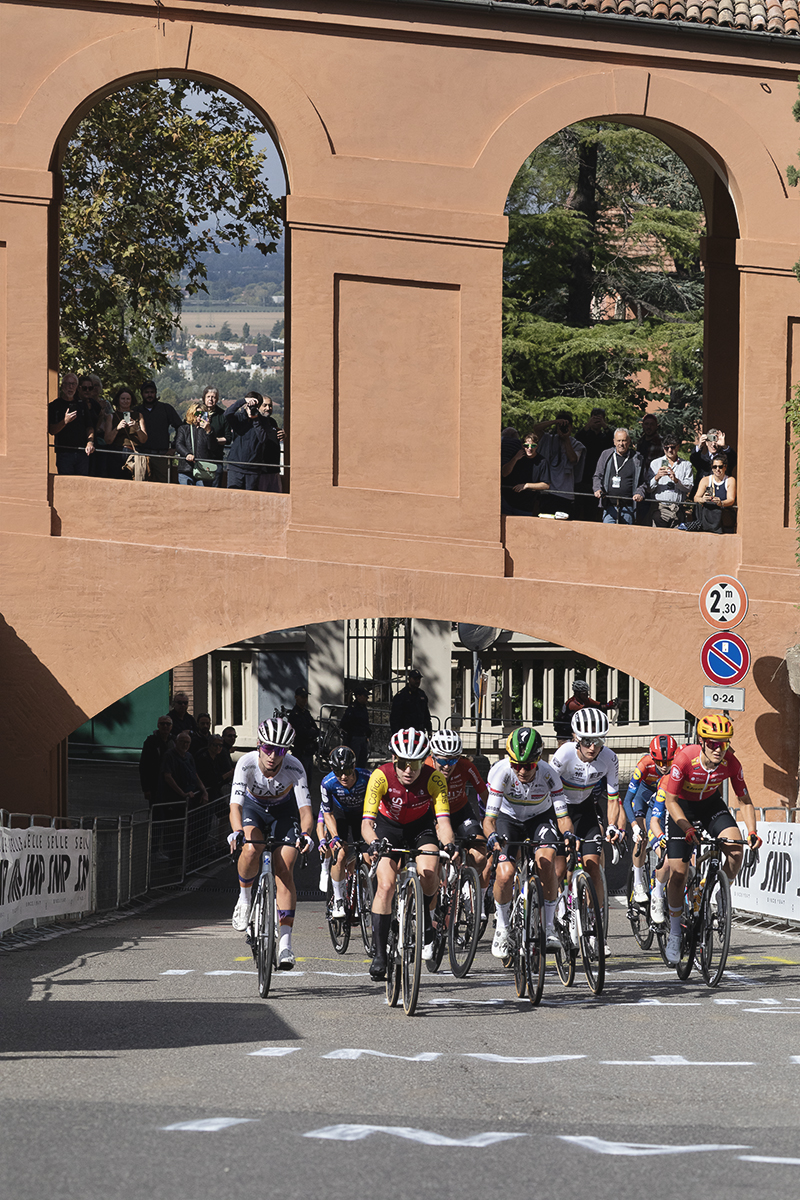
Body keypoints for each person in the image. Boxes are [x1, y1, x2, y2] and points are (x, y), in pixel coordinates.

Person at [657, 713, 761, 966]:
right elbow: (670, 801)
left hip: (711, 806)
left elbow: (744, 800)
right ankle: (674, 931)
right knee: (679, 873)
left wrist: (752, 830)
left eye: (723, 743)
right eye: (713, 743)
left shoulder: (731, 763)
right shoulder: (684, 760)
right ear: (702, 741)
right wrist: (687, 828)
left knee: (736, 851)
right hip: (682, 809)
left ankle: (719, 893)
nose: (718, 749)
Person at [361, 727, 456, 981]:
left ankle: (424, 917)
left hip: (420, 827)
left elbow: (444, 823)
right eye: (402, 763)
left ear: (422, 760)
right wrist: (373, 843)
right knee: (385, 884)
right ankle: (380, 955)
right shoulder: (380, 776)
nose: (408, 770)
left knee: (429, 869)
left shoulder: (435, 778)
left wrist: (448, 844)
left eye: (414, 763)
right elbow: (366, 824)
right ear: (394, 759)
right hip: (387, 828)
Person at [227, 717, 315, 970]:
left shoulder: (295, 767)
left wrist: (307, 834)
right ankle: (244, 899)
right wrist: (236, 832)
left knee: (284, 867)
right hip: (253, 809)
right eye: (267, 748)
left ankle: (285, 944)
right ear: (258, 745)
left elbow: (306, 810)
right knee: (251, 847)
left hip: (283, 812)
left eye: (279, 751)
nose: (272, 756)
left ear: (286, 752)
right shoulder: (246, 763)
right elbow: (235, 805)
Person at [483, 727, 567, 952]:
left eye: (528, 765)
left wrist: (567, 835)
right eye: (516, 764)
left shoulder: (549, 774)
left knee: (547, 860)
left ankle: (548, 927)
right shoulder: (501, 772)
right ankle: (502, 928)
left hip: (540, 817)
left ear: (537, 761)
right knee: (505, 873)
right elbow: (489, 820)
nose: (521, 770)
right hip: (508, 818)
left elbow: (562, 816)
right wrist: (491, 837)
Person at [550, 708, 626, 945]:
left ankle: (596, 927)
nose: (593, 746)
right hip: (558, 809)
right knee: (560, 870)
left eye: (599, 740)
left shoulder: (609, 758)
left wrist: (612, 825)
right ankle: (554, 911)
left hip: (585, 810)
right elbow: (546, 789)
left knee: (594, 867)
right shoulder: (563, 756)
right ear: (575, 737)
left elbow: (613, 798)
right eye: (587, 741)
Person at [623, 734, 678, 922]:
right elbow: (627, 800)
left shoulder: (677, 766)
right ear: (653, 758)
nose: (664, 766)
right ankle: (638, 882)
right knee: (643, 837)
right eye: (660, 762)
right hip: (643, 797)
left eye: (669, 761)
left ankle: (661, 884)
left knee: (665, 842)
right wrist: (633, 826)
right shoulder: (644, 765)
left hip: (662, 798)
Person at [427, 728, 488, 891]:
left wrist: (491, 818)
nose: (447, 766)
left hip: (461, 812)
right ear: (433, 756)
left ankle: (467, 886)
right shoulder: (425, 768)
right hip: (432, 814)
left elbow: (484, 793)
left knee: (480, 854)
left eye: (453, 761)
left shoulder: (466, 766)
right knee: (435, 857)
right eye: (443, 761)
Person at [319, 745, 372, 917]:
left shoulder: (367, 777)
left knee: (367, 858)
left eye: (348, 771)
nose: (343, 776)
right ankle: (339, 899)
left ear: (354, 767)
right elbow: (327, 814)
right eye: (338, 771)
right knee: (340, 853)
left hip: (362, 816)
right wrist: (334, 837)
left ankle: (362, 897)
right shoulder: (328, 783)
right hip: (340, 816)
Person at [225, 391, 281, 491]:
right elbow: (227, 414)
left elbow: (263, 438)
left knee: (250, 500)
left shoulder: (264, 421)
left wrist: (255, 420)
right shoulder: (239, 418)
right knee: (233, 497)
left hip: (253, 469)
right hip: (235, 467)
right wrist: (243, 401)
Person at [47, 371, 99, 475]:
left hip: (82, 453)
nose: (70, 387)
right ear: (62, 386)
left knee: (83, 483)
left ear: (77, 387)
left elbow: (90, 427)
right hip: (64, 453)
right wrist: (65, 421)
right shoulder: (54, 406)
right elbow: (52, 430)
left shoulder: (82, 405)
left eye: (73, 384)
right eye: (67, 384)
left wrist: (90, 442)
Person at [536, 412, 585, 518]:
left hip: (565, 493)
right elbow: (536, 428)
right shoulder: (547, 439)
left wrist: (566, 438)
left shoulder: (576, 444)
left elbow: (573, 459)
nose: (563, 428)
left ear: (571, 427)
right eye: (560, 426)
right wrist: (555, 422)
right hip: (547, 492)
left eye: (566, 426)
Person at [593, 428, 646, 524]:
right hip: (609, 506)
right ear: (614, 441)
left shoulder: (637, 458)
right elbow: (597, 476)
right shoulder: (606, 455)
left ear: (629, 441)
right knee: (608, 534)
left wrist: (639, 493)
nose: (621, 444)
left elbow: (643, 481)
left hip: (628, 507)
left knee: (626, 536)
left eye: (624, 440)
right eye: (618, 440)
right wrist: (597, 489)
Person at [137, 381, 181, 484]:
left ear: (156, 393)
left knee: (163, 485)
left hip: (161, 456)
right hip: (142, 455)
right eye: (146, 392)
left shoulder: (166, 409)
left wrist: (174, 447)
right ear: (142, 394)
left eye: (152, 392)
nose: (149, 395)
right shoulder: (136, 411)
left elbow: (180, 427)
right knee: (140, 485)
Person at [575, 408, 614, 521]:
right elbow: (577, 440)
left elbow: (614, 440)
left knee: (593, 512)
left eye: (599, 418)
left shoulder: (605, 437)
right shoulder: (584, 435)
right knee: (578, 511)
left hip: (599, 479)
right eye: (594, 417)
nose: (597, 421)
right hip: (583, 477)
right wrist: (588, 425)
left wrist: (604, 425)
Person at [553, 679, 618, 745]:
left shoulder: (585, 700)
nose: (587, 695)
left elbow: (600, 706)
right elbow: (587, 711)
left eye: (587, 693)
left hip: (575, 732)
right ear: (577, 693)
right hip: (565, 735)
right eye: (584, 693)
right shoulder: (572, 703)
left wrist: (610, 704)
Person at [648, 436, 693, 528]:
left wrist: (676, 481)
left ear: (678, 447)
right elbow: (648, 488)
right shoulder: (655, 463)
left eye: (672, 447)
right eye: (666, 447)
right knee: (658, 539)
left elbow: (689, 487)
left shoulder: (686, 465)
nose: (669, 450)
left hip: (678, 509)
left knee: (677, 540)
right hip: (660, 509)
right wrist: (657, 477)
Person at [501, 433, 551, 516]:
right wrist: (515, 459)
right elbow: (504, 473)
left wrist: (526, 485)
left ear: (537, 446)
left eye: (533, 446)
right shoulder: (516, 456)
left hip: (525, 506)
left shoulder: (542, 462)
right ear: (522, 445)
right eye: (526, 445)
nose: (529, 448)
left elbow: (546, 485)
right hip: (507, 502)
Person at [105, 386, 148, 480]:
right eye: (123, 398)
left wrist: (137, 428)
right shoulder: (111, 417)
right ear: (118, 400)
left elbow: (144, 439)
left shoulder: (138, 416)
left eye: (128, 399)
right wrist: (117, 428)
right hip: (116, 453)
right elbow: (108, 440)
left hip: (133, 453)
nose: (125, 401)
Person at [158, 730, 208, 810]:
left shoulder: (189, 756)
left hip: (191, 795)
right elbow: (167, 776)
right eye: (182, 742)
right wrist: (182, 793)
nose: (185, 744)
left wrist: (204, 792)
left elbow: (195, 775)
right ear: (176, 742)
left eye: (187, 742)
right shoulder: (169, 755)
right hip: (175, 798)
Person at [693, 453, 736, 534]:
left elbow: (731, 500)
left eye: (720, 466)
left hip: (723, 520)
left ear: (725, 467)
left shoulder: (730, 480)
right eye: (714, 467)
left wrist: (721, 503)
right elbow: (696, 498)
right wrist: (703, 499)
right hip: (709, 519)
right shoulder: (705, 480)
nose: (717, 469)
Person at [174, 403, 216, 486]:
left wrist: (208, 432)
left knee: (202, 496)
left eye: (203, 414)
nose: (199, 416)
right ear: (192, 414)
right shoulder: (184, 428)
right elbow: (178, 444)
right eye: (197, 414)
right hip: (186, 469)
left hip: (203, 470)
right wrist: (187, 454)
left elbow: (213, 448)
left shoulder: (209, 430)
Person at [138, 716, 175, 805]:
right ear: (158, 725)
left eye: (168, 724)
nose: (165, 726)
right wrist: (146, 789)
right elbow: (144, 766)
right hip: (155, 784)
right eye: (162, 724)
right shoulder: (150, 742)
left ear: (171, 726)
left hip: (172, 785)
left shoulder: (174, 741)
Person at [287, 686, 319, 782]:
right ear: (296, 697)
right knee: (301, 779)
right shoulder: (294, 715)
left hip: (309, 751)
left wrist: (312, 732)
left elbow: (316, 730)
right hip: (301, 751)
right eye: (302, 697)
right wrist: (310, 732)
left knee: (308, 779)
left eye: (306, 697)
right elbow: (301, 732)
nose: (305, 699)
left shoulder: (306, 713)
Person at [200, 386, 228, 487]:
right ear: (204, 398)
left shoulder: (223, 415)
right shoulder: (197, 413)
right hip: (199, 459)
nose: (211, 399)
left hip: (216, 459)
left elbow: (228, 438)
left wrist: (212, 440)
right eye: (208, 397)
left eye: (213, 397)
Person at [389, 669, 432, 734]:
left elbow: (426, 714)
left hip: (419, 732)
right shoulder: (401, 696)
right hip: (405, 732)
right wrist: (396, 733)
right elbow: (394, 718)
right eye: (415, 679)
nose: (417, 681)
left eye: (419, 679)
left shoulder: (421, 694)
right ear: (409, 679)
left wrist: (429, 729)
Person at [339, 685, 372, 767]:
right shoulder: (353, 708)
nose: (366, 698)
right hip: (355, 738)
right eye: (365, 696)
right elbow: (344, 724)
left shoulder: (363, 708)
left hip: (363, 738)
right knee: (354, 762)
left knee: (362, 761)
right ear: (358, 696)